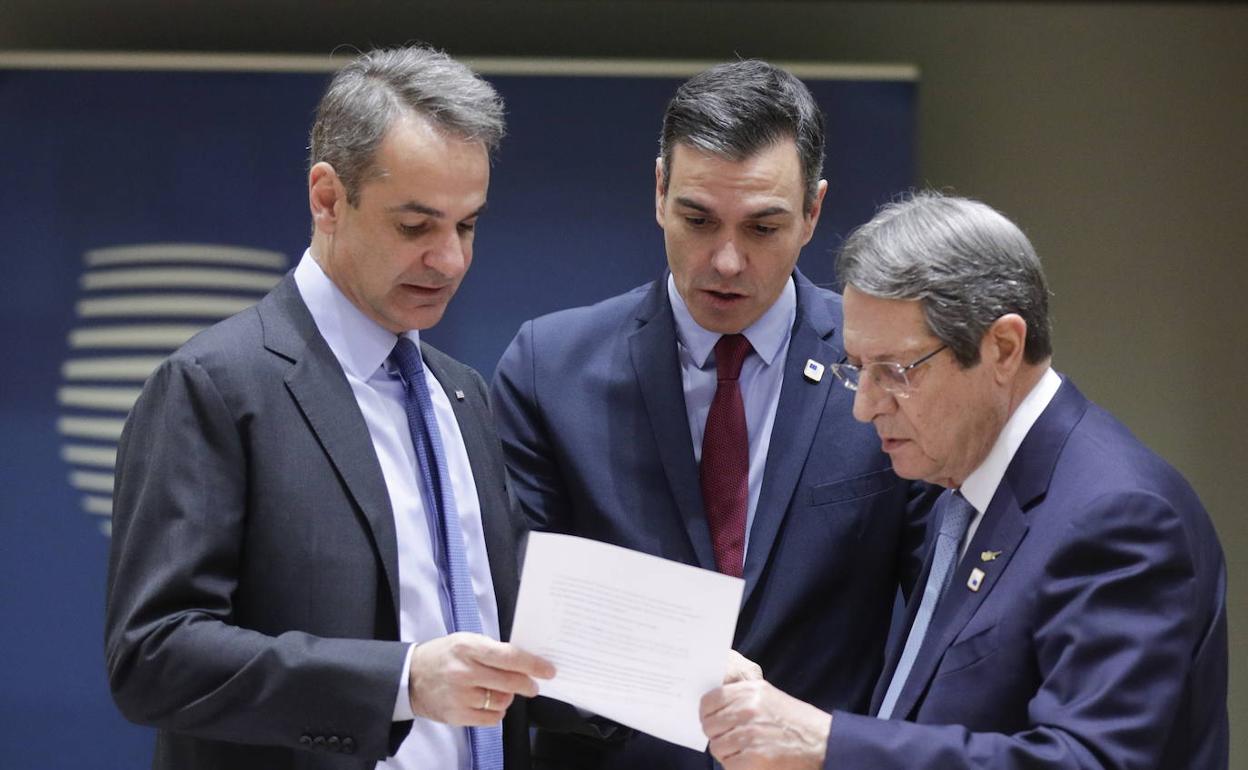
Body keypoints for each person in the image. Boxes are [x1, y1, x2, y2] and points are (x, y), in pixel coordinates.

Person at [104, 46, 554, 770]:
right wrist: (400, 683)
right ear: (327, 199)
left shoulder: (463, 394)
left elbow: (518, 625)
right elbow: (154, 656)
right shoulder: (215, 385)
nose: (450, 260)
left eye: (467, 226)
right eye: (416, 226)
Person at [491, 59, 935, 769]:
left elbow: (940, 628)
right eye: (698, 220)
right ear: (659, 192)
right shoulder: (550, 368)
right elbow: (511, 613)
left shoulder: (888, 372)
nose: (727, 261)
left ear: (813, 213)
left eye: (763, 227)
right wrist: (661, 680)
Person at [698, 191, 1229, 769]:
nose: (865, 406)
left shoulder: (1120, 516)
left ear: (1002, 348)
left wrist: (824, 744)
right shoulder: (961, 489)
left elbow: (1089, 761)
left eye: (894, 372)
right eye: (858, 369)